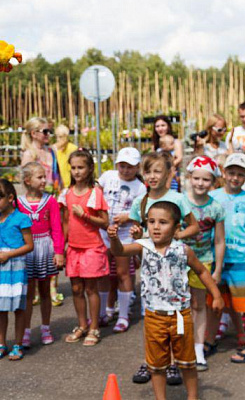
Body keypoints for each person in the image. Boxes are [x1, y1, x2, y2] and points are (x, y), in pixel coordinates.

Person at [108, 201, 224, 400]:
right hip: (154, 317)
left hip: (180, 316)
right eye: (151, 221)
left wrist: (217, 294)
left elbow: (202, 271)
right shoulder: (143, 246)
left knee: (187, 360)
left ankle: (193, 396)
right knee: (156, 364)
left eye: (163, 222)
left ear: (177, 228)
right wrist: (114, 239)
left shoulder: (183, 250)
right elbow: (119, 251)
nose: (155, 226)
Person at [129, 151, 199, 385]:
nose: (152, 176)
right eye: (147, 172)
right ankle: (152, 361)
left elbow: (194, 227)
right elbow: (135, 231)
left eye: (157, 171)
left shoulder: (178, 199)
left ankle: (172, 363)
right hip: (150, 268)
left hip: (174, 267)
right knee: (150, 316)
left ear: (169, 173)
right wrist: (138, 234)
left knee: (174, 318)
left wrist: (177, 235)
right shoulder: (141, 201)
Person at [207, 153, 245, 363]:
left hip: (242, 261)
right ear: (224, 172)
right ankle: (209, 340)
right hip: (217, 261)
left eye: (240, 174)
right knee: (215, 302)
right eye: (231, 172)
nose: (235, 178)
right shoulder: (214, 197)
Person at [59, 150, 109, 346]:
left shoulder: (95, 193)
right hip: (73, 248)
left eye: (81, 167)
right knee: (76, 288)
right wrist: (60, 248)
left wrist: (85, 216)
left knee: (91, 288)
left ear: (89, 169)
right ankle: (82, 324)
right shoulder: (66, 193)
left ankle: (94, 326)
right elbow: (64, 222)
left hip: (92, 247)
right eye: (73, 168)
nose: (77, 172)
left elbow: (105, 222)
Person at [0, 179, 34, 361]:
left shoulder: (21, 219)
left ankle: (18, 344)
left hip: (16, 266)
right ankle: (2, 343)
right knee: (0, 309)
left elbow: (29, 246)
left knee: (18, 308)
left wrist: (9, 255)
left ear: (10, 198)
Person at [182, 156, 225, 371]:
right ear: (189, 177)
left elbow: (219, 240)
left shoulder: (216, 207)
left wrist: (217, 269)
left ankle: (198, 349)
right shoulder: (179, 201)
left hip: (203, 262)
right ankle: (180, 347)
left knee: (199, 305)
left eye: (206, 180)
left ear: (214, 182)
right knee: (179, 306)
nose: (200, 183)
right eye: (196, 178)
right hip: (178, 261)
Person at [98, 147, 146, 333]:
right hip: (103, 232)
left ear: (137, 167)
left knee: (122, 273)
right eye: (122, 166)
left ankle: (124, 315)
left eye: (130, 167)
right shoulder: (108, 176)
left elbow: (142, 212)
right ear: (117, 164)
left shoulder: (140, 187)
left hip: (124, 235)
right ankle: (105, 310)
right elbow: (96, 192)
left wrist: (128, 217)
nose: (125, 170)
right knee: (103, 273)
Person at [17, 162, 64, 348]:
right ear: (28, 180)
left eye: (45, 176)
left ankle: (45, 327)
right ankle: (26, 330)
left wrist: (59, 251)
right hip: (26, 249)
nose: (45, 180)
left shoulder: (50, 201)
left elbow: (57, 228)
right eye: (40, 177)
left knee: (45, 291)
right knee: (28, 293)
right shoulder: (18, 202)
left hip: (45, 247)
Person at [21, 117, 63, 306]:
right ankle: (37, 289)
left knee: (55, 237)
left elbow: (57, 174)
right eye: (45, 131)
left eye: (49, 132)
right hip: (37, 201)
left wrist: (61, 192)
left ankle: (53, 287)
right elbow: (26, 181)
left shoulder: (51, 151)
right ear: (34, 133)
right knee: (37, 244)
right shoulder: (29, 154)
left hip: (53, 196)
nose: (48, 135)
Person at [53, 124, 78, 189]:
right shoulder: (56, 150)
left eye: (61, 137)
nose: (59, 139)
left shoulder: (73, 148)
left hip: (71, 184)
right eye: (57, 137)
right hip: (58, 184)